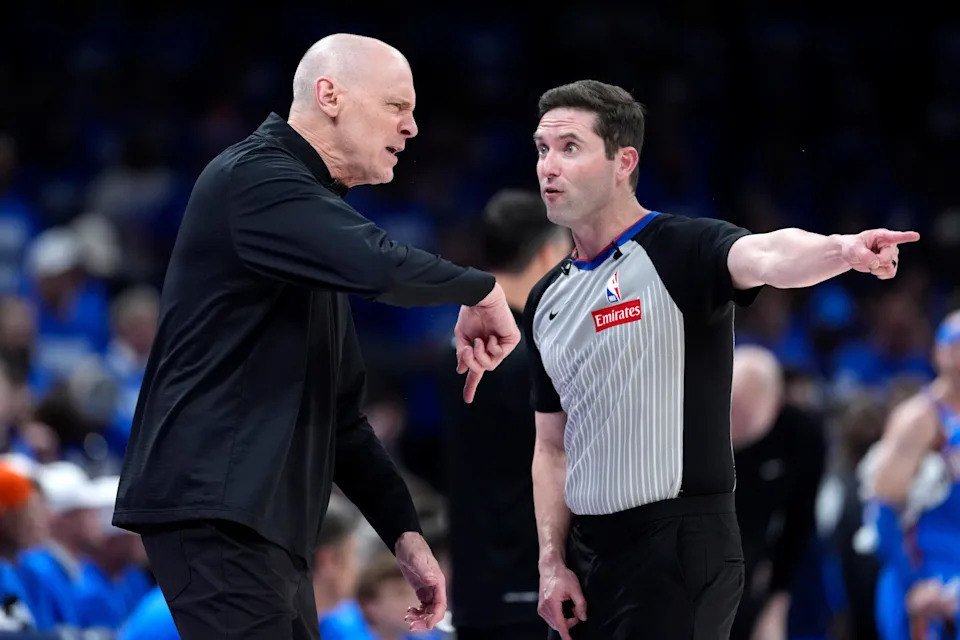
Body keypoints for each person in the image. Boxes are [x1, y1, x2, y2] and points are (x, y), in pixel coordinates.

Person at [112, 33, 520, 640]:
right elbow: (379, 264)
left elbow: (342, 420)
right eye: (396, 106)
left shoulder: (308, 227)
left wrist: (404, 534)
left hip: (263, 524)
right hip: (214, 507)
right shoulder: (255, 177)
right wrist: (479, 288)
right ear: (330, 96)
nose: (411, 128)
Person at [522, 79, 919, 640]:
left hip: (679, 544)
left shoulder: (681, 247)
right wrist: (551, 561)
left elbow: (768, 253)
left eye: (569, 148)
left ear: (623, 162)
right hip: (586, 552)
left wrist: (842, 250)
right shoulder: (546, 298)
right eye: (542, 149)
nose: (549, 166)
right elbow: (551, 447)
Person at [438, 189, 571, 640]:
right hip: (534, 588)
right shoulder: (533, 357)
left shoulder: (455, 346)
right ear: (548, 255)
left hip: (475, 590)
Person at [860, 311, 960, 640]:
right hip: (928, 576)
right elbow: (882, 508)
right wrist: (914, 584)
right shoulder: (919, 420)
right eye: (956, 346)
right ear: (938, 353)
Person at [726, 345, 827, 640]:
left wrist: (777, 602)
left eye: (745, 414)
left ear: (775, 406)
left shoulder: (801, 435)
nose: (733, 423)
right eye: (730, 408)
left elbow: (799, 522)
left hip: (752, 556)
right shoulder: (690, 422)